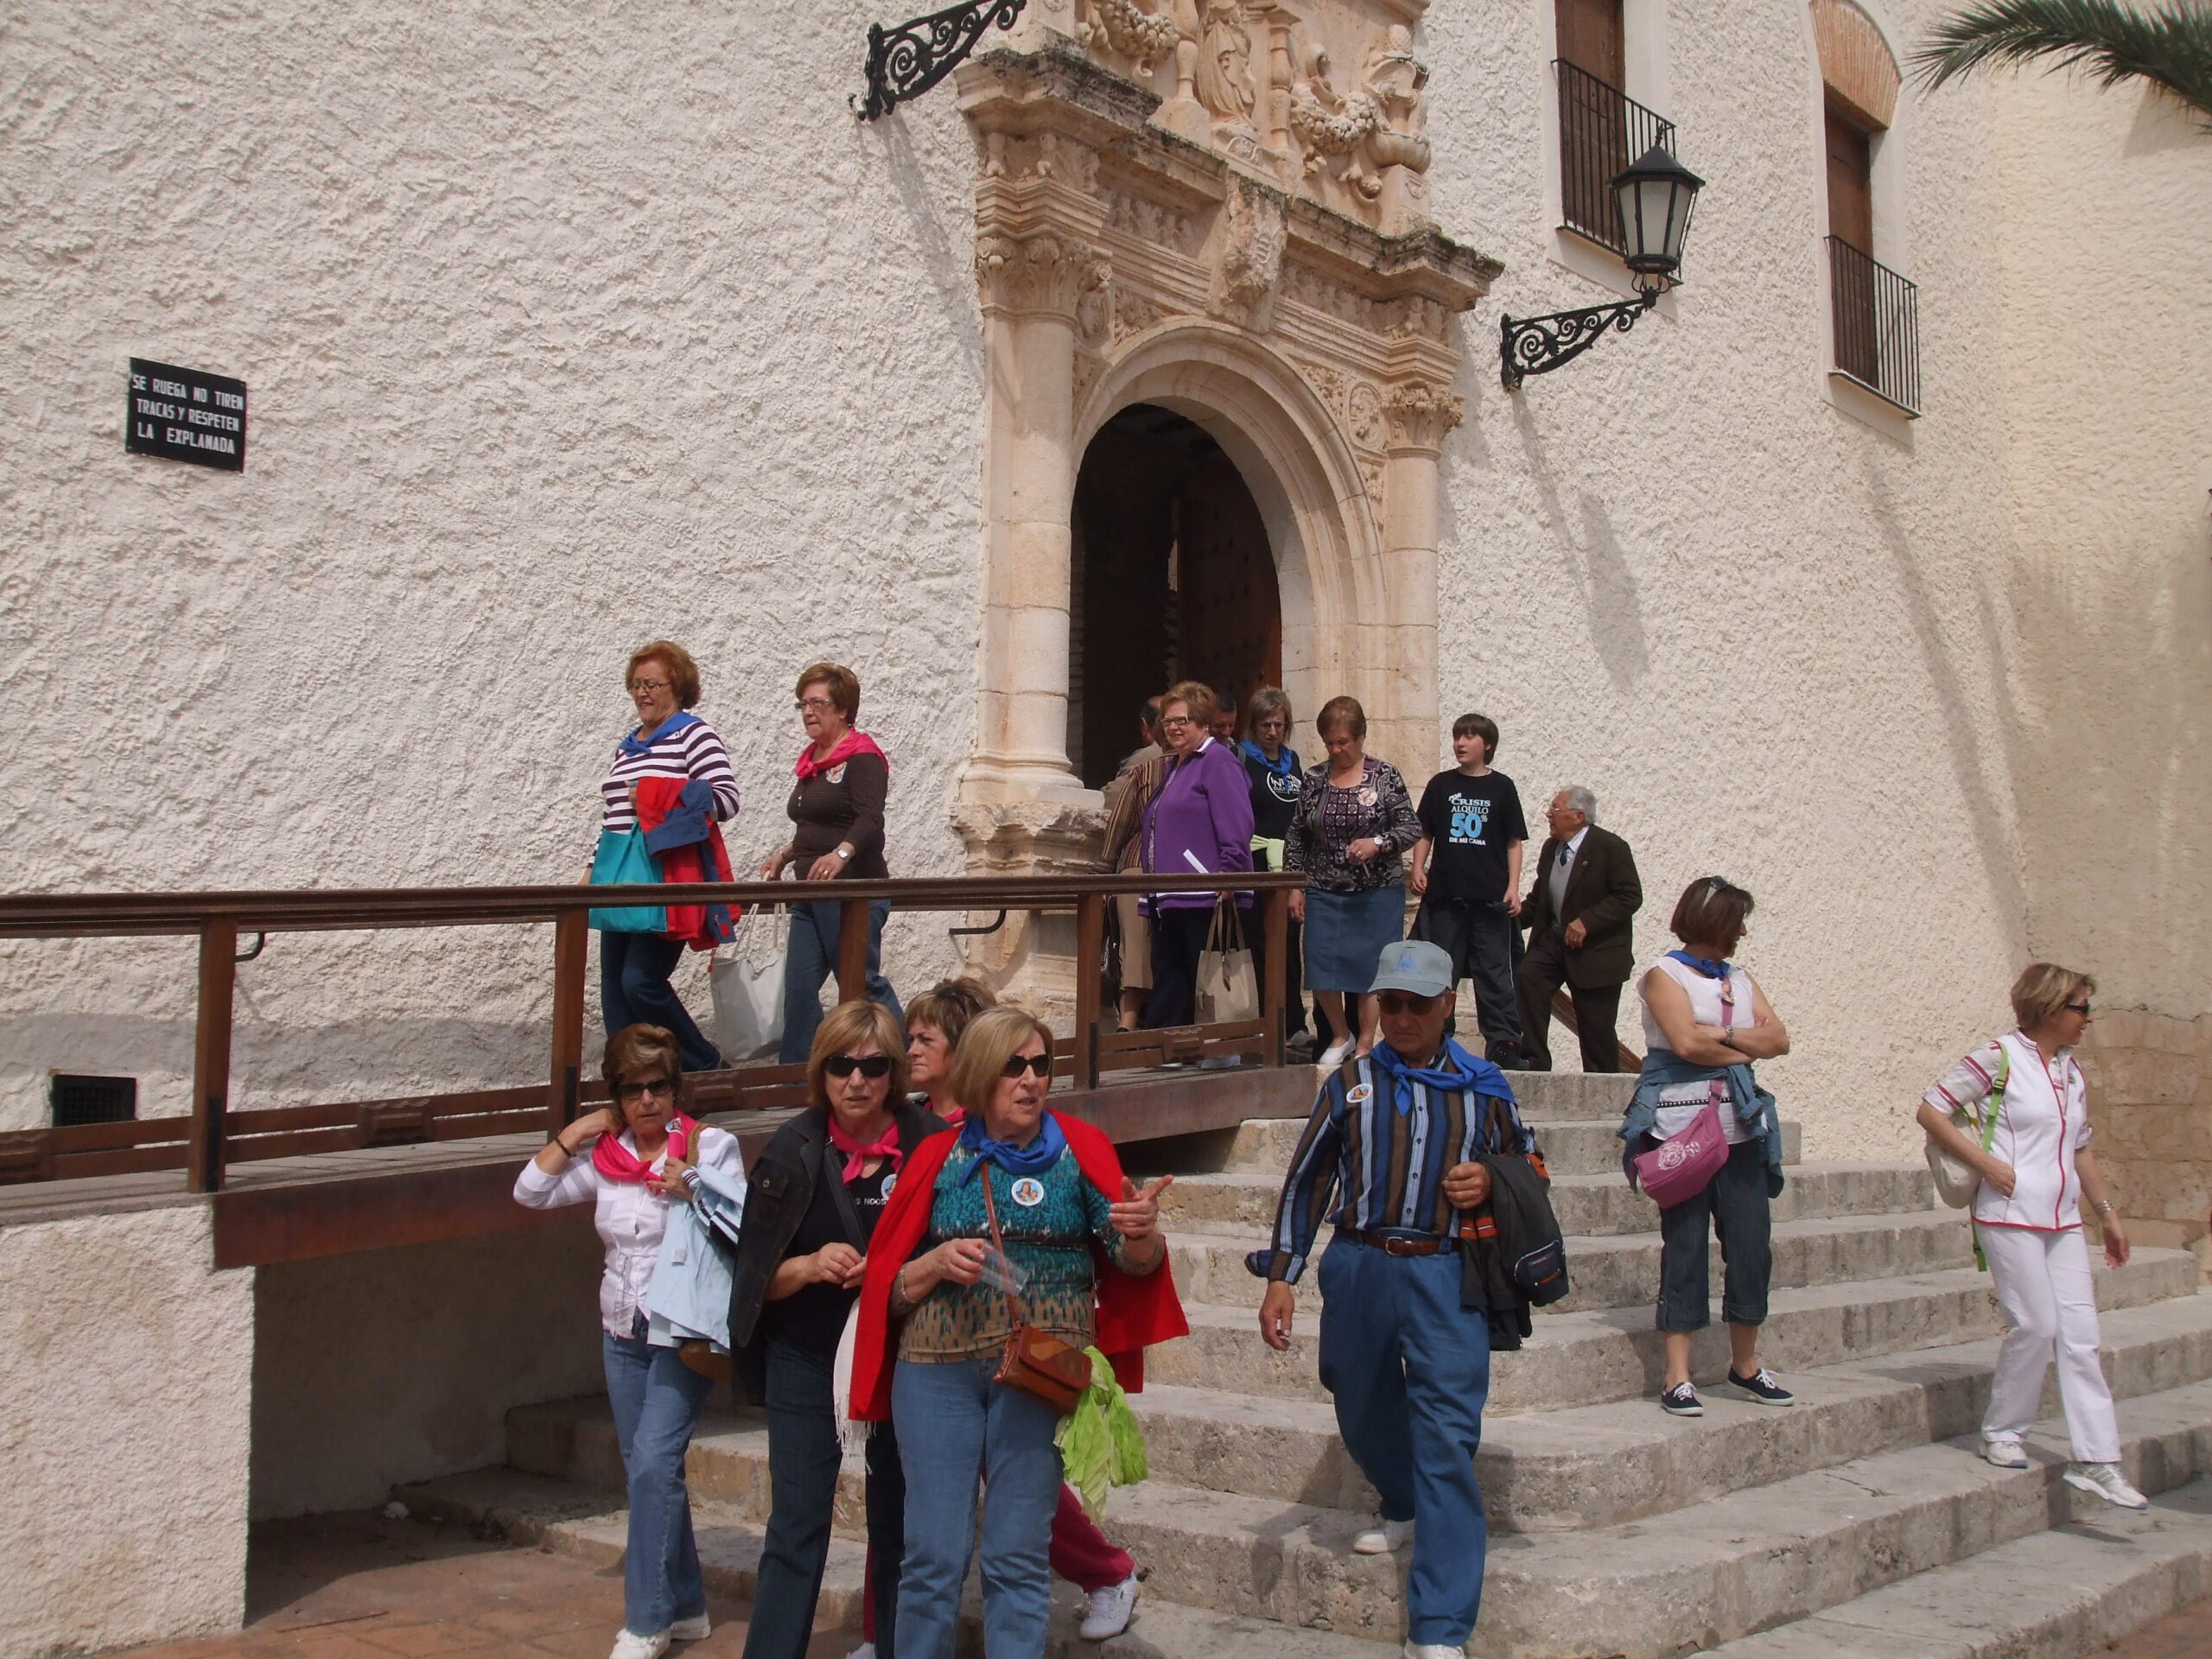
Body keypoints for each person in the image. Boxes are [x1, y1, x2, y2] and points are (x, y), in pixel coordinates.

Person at [849, 1007, 1186, 1659]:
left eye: (1040, 1065)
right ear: (981, 1072)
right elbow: (886, 1288)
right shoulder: (936, 1156)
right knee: (932, 1558)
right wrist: (932, 1264)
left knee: (1016, 1555)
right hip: (935, 1371)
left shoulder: (1079, 1150)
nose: (1031, 1080)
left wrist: (1145, 1235)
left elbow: (1130, 1260)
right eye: (1014, 1066)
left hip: (1039, 1371)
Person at [1256, 941, 1535, 1659]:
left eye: (1418, 1005)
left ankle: (1439, 1628)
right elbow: (1308, 1180)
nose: (1403, 1018)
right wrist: (1283, 1273)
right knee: (1355, 1397)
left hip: (1447, 1272)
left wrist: (1491, 1179)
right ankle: (1403, 1499)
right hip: (1361, 1264)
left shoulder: (1486, 1088)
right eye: (1391, 1004)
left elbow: (1529, 1162)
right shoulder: (1350, 1084)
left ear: (1448, 1005)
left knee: (1447, 1437)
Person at [514, 1025, 746, 1659]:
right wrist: (578, 1132)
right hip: (621, 1327)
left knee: (652, 1464)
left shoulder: (708, 1145)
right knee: (649, 1471)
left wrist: (691, 1185)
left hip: (682, 1330)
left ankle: (646, 1622)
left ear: (675, 1089)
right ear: (616, 1096)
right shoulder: (609, 1158)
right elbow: (529, 1192)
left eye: (658, 1086)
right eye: (632, 1089)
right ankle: (689, 1606)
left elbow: (746, 1218)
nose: (647, 1100)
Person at [723, 1002, 935, 1659]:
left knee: (897, 1526)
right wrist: (810, 1265)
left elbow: (954, 1248)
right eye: (842, 1065)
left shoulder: (930, 1145)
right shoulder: (792, 1151)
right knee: (796, 1525)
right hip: (806, 1356)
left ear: (894, 1074)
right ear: (822, 1072)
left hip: (901, 1356)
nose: (857, 1081)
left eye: (874, 1066)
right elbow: (754, 1277)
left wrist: (896, 1272)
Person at [1916, 964, 2148, 1509]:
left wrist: (2107, 1214)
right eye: (2081, 1008)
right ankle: (2002, 1430)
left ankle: (2098, 1460)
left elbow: (2080, 1147)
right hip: (2007, 1214)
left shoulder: (2072, 1071)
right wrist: (1986, 1165)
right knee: (2037, 1324)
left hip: (2063, 1220)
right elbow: (1931, 1109)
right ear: (2050, 1007)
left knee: (2082, 1336)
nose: (2089, 1019)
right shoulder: (1998, 1057)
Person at [1619, 878, 1795, 1416]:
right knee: (1686, 1245)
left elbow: (1779, 1040)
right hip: (1680, 1129)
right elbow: (1684, 1042)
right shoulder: (1663, 975)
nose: (1743, 932)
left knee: (1751, 1246)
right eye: (1737, 921)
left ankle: (1746, 1365)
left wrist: (1720, 1037)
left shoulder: (1739, 978)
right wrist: (1742, 1045)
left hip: (1741, 1131)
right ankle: (1678, 1375)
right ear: (1716, 922)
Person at [594, 642, 739, 1074]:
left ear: (676, 687)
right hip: (619, 872)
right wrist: (591, 868)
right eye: (636, 685)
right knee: (613, 989)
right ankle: (633, 1080)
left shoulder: (694, 734)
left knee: (641, 981)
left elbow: (726, 800)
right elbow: (614, 817)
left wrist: (655, 794)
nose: (642, 693)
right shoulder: (627, 747)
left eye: (652, 684)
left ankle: (705, 1065)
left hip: (665, 874)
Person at [762, 663, 901, 1063]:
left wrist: (842, 853)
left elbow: (869, 819)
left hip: (851, 891)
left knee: (859, 984)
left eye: (817, 703)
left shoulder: (863, 757)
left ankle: (902, 1062)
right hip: (810, 891)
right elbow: (815, 826)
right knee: (799, 989)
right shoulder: (813, 762)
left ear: (842, 709)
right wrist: (786, 853)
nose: (808, 712)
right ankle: (795, 1077)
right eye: (802, 704)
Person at [1284, 696, 1421, 1067]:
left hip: (1376, 892)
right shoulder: (1314, 779)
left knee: (1370, 971)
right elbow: (1297, 835)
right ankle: (1340, 1035)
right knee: (1320, 965)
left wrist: (1378, 843)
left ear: (1361, 737)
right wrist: (1295, 885)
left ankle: (1365, 1043)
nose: (1335, 750)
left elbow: (1411, 827)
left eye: (1342, 742)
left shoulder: (1384, 776)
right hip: (1324, 889)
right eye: (1329, 742)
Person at [1409, 713, 1529, 1068]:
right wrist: (1418, 867)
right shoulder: (1441, 785)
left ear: (1487, 744)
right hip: (1446, 897)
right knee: (1440, 971)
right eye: (1457, 736)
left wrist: (1513, 887)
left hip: (1489, 899)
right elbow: (1425, 831)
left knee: (1494, 975)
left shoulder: (1502, 787)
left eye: (1469, 737)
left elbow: (1513, 841)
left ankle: (1504, 1044)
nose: (1460, 743)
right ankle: (1437, 1041)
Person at [1140, 682, 1255, 1029]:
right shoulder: (1178, 764)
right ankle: (1167, 1047)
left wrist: (1230, 873)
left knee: (1204, 982)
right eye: (1168, 721)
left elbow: (1236, 821)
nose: (1173, 727)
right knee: (1171, 981)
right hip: (1171, 894)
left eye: (1183, 720)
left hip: (1203, 894)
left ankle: (1217, 1046)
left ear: (1203, 722)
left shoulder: (1217, 761)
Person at [1514, 785, 1642, 1072]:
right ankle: (1534, 1061)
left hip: (1596, 952)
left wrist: (1588, 922)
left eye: (1555, 809)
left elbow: (1630, 896)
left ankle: (1602, 1084)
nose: (1548, 814)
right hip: (1553, 943)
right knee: (1529, 977)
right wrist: (1509, 919)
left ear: (1578, 816)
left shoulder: (1610, 848)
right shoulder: (1551, 848)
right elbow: (1540, 899)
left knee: (1596, 1028)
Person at [1239, 687, 1310, 1050]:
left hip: (1288, 864)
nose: (1271, 732)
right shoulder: (1241, 758)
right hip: (1254, 862)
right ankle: (1260, 1022)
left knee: (1288, 945)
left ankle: (1293, 1023)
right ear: (1254, 725)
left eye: (1278, 725)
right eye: (1265, 724)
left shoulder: (1292, 761)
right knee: (1256, 943)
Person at [1097, 708, 1170, 1032]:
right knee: (1136, 943)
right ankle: (1127, 1023)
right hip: (1139, 864)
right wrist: (1103, 873)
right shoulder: (1146, 769)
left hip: (1187, 870)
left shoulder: (1210, 769)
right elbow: (1120, 820)